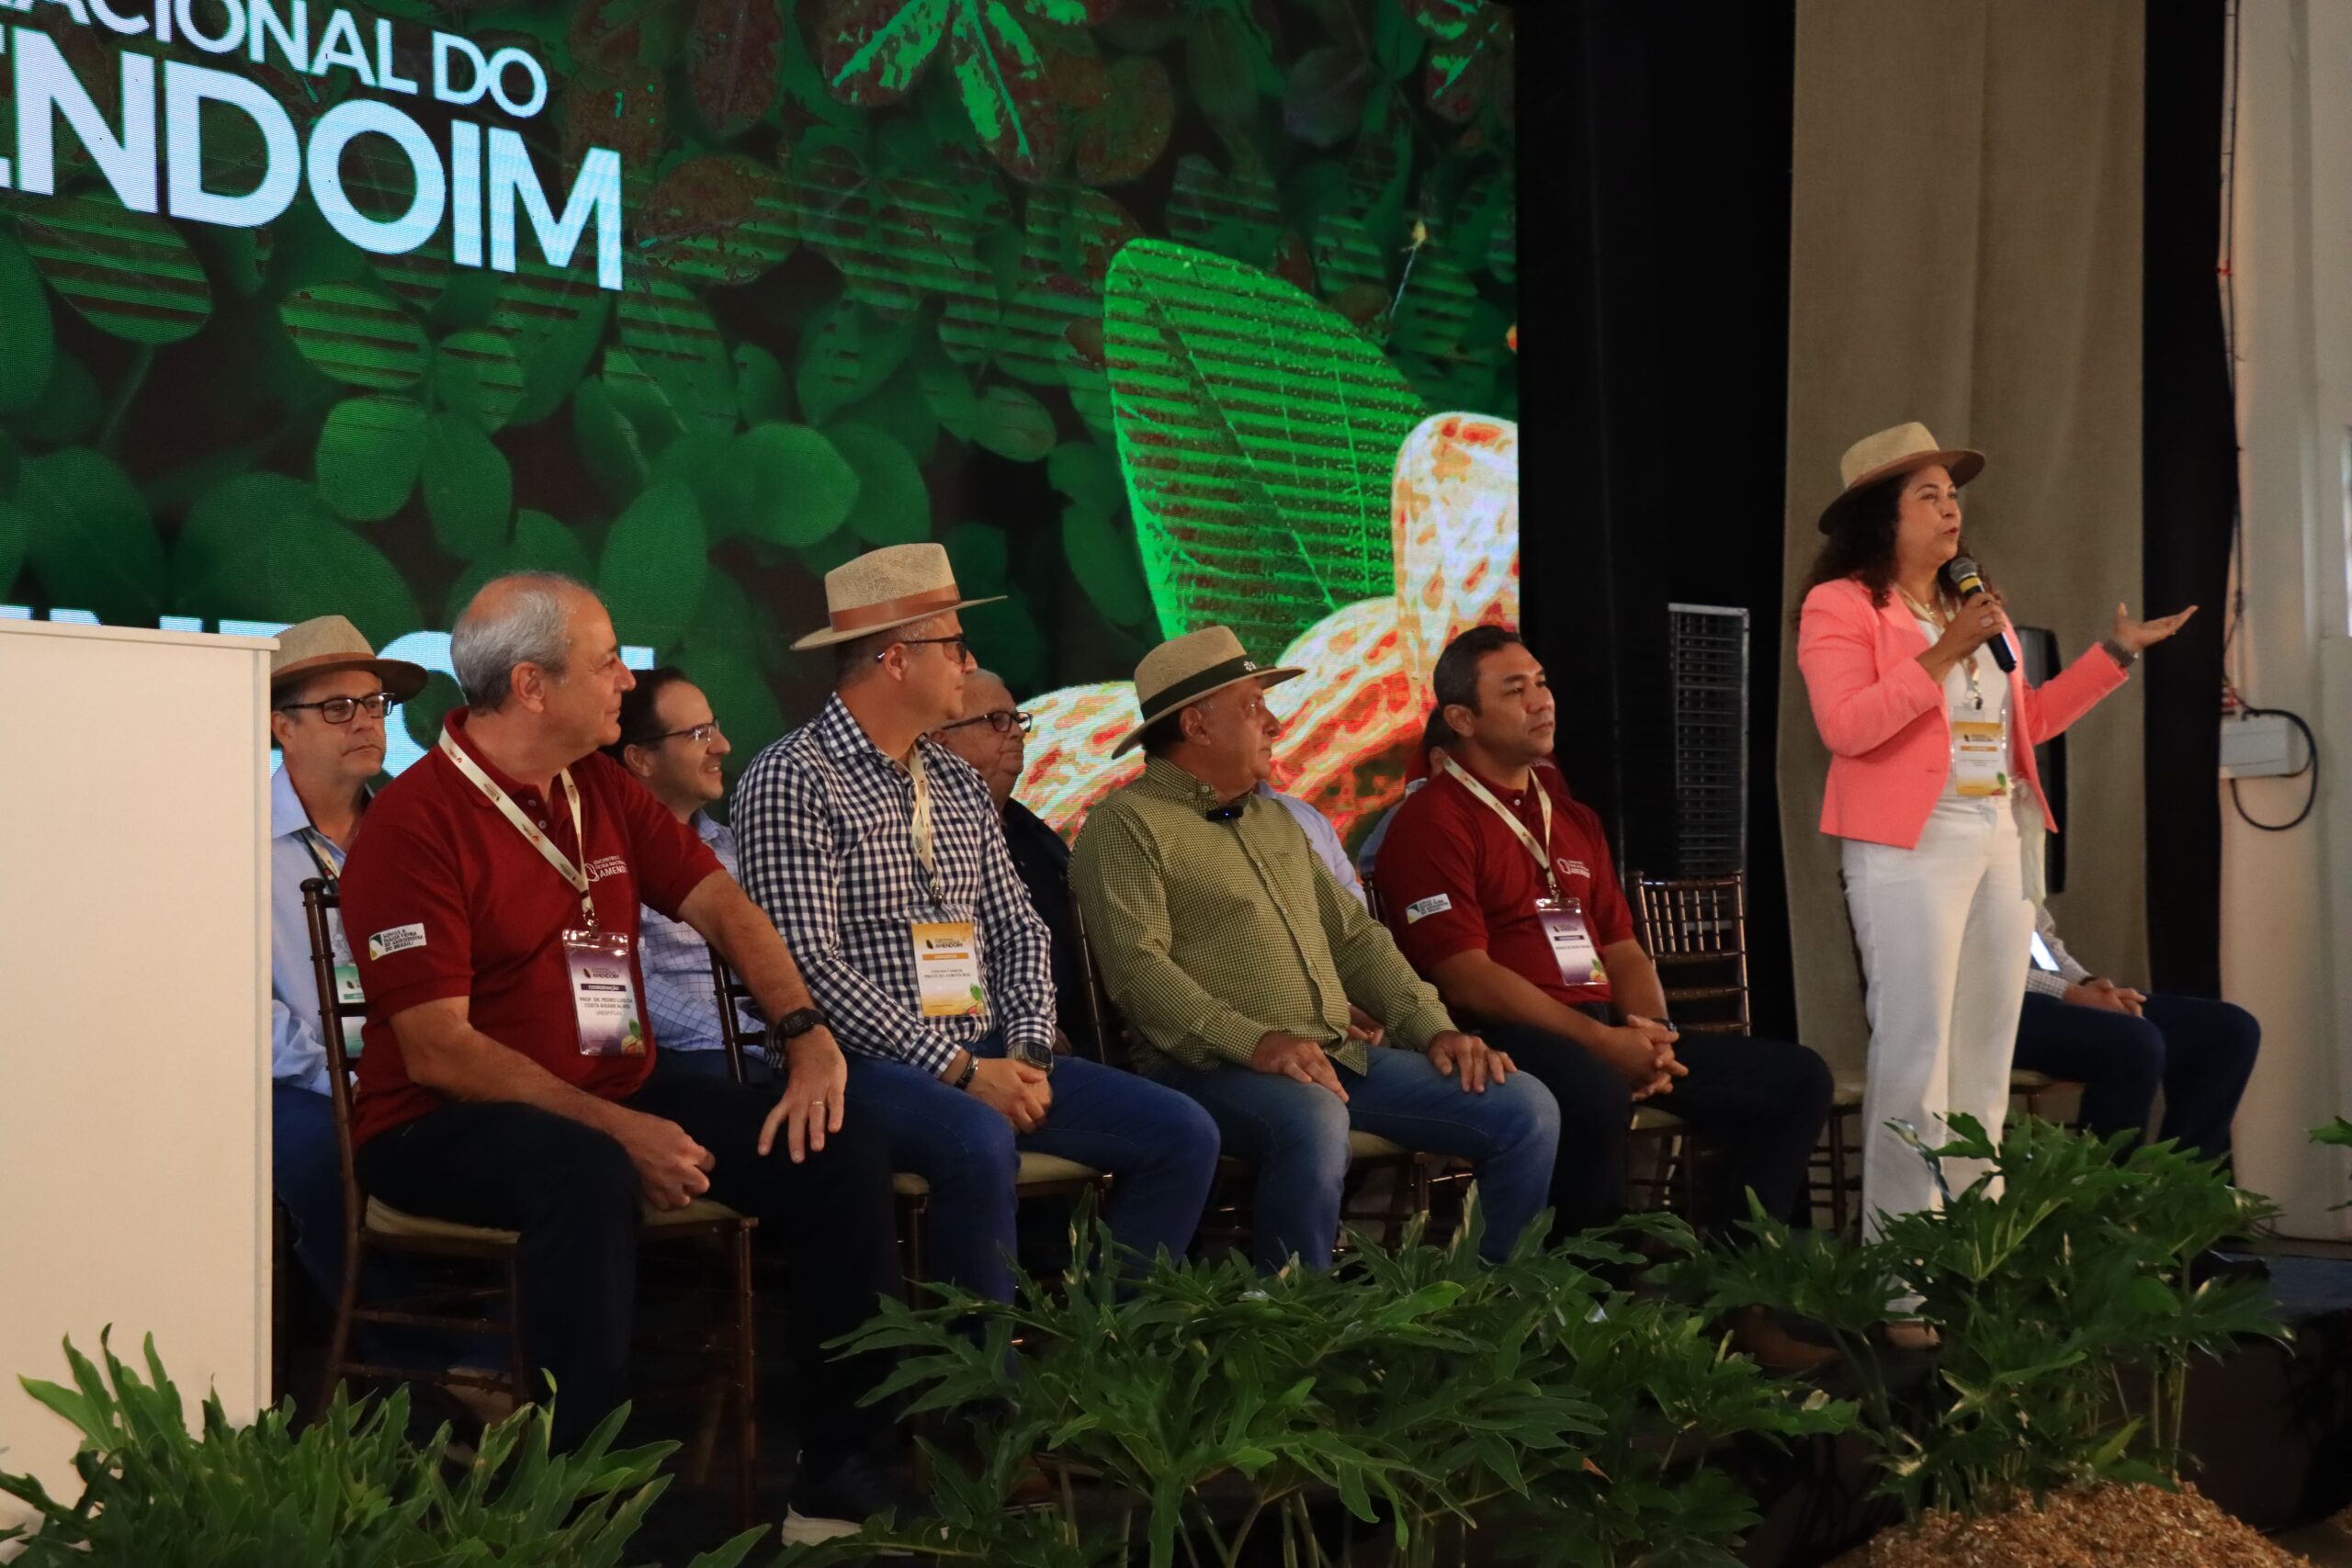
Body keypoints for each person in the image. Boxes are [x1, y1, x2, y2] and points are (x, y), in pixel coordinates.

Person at [339, 573, 908, 1540]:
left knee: (836, 1144)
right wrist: (619, 1127)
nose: (626, 680)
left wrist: (806, 1035)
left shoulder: (597, 785)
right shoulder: (414, 822)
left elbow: (723, 905)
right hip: (440, 1124)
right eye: (606, 662)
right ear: (531, 686)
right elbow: (438, 1051)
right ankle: (583, 1509)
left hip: (615, 1086)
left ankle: (839, 1479)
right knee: (587, 1171)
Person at [731, 545, 1220, 1303]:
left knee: (1185, 1132)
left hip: (989, 1047)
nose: (968, 661)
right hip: (857, 1064)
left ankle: (1095, 1344)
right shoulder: (792, 775)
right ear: (896, 659)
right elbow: (808, 965)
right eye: (954, 644)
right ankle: (984, 1370)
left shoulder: (956, 779)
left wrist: (1026, 1051)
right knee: (979, 1136)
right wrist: (959, 1069)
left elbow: (1021, 928)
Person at [1793, 423, 2193, 1297]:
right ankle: (1902, 1282)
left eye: (1953, 495)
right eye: (1928, 496)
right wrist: (1944, 650)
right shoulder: (1841, 606)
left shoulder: (1972, 606)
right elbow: (1846, 726)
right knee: (1917, 1056)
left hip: (1997, 833)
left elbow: (2027, 723)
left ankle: (1978, 1266)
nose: (1951, 510)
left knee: (1983, 1059)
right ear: (1880, 516)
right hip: (1908, 845)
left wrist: (2114, 655)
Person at [1070, 626, 1561, 1273]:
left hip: (1331, 1056)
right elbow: (1139, 971)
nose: (1274, 723)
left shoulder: (1274, 817)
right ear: (1195, 725)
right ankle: (1295, 1316)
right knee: (1314, 1116)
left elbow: (1355, 938)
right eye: (1253, 706)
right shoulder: (1124, 824)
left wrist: (1434, 1028)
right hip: (1204, 1068)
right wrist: (1256, 1042)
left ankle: (1491, 1308)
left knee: (1525, 1106)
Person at [1373, 626, 1835, 1249]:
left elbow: (1621, 948)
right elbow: (1465, 977)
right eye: (1515, 690)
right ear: (1462, 719)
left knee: (1798, 1079)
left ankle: (1737, 1277)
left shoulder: (1572, 818)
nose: (1542, 701)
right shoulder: (1432, 820)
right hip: (1504, 1038)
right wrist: (1604, 1045)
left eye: (1541, 683)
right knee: (1593, 1088)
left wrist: (1651, 1037)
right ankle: (1587, 1289)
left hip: (1604, 1029)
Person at [266, 616, 426, 1304]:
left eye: (374, 704)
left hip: (412, 1071)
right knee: (326, 1157)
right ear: (282, 725)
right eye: (338, 707)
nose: (365, 721)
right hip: (290, 1081)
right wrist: (341, 1080)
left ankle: (511, 1344)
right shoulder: (232, 835)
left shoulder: (411, 834)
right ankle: (414, 1354)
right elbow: (236, 1010)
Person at [602, 667, 769, 1085]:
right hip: (687, 1062)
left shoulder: (734, 846)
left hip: (758, 1048)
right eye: (698, 734)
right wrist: (757, 1040)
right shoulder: (607, 861)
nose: (723, 746)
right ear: (640, 759)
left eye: (715, 727)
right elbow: (635, 993)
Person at [2012, 902, 2260, 1164]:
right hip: (1992, 1008)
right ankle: (2106, 1184)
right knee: (2132, 1042)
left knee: (2229, 1032)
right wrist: (2068, 993)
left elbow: (2036, 941)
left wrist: (2086, 983)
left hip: (2052, 994)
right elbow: (1981, 964)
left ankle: (2178, 1182)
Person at [927, 669, 1092, 1048]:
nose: (1017, 731)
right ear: (940, 742)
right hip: (990, 1048)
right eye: (997, 720)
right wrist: (1023, 1027)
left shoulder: (1034, 831)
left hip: (1083, 1041)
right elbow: (944, 974)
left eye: (1017, 719)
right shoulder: (921, 838)